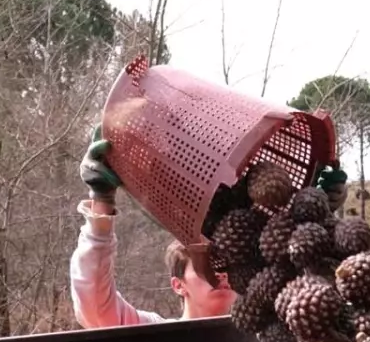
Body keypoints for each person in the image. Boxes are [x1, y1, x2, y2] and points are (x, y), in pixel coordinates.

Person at [70, 125, 348, 328]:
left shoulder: (268, 332)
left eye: (225, 264)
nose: (221, 274)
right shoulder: (155, 332)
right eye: (209, 264)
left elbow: (319, 297)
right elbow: (95, 308)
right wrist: (101, 202)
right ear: (178, 286)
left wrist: (316, 218)